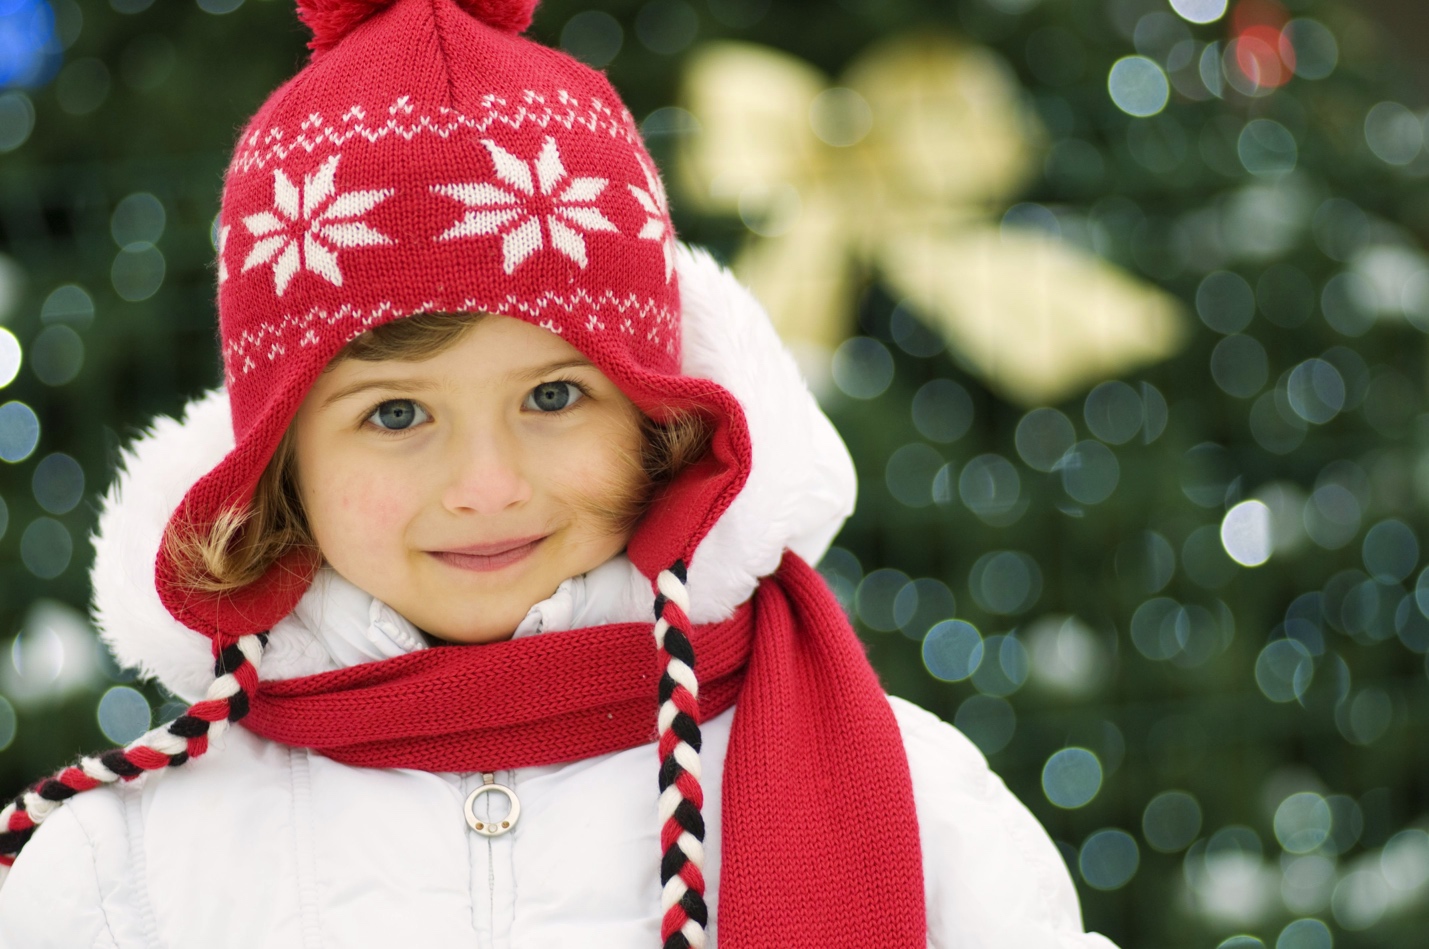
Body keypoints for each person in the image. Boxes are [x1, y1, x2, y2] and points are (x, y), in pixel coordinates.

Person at [0, 1, 1121, 946]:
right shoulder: (130, 870)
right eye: (396, 412)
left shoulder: (909, 808)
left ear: (657, 413)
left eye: (552, 396)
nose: (488, 484)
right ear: (280, 457)